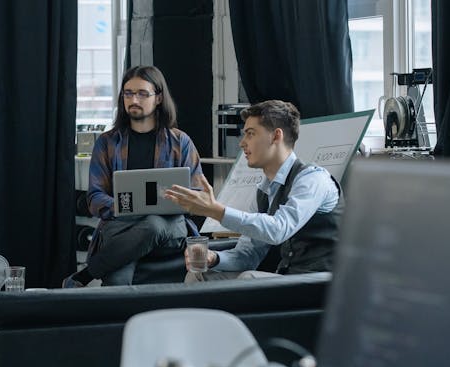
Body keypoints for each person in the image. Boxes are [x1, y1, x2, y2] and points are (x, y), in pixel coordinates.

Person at [165, 100, 341, 280]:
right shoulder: (264, 193)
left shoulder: (312, 179)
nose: (242, 143)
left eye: (250, 134)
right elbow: (248, 255)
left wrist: (215, 210)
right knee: (198, 275)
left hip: (322, 283)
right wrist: (214, 258)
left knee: (249, 278)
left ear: (276, 136)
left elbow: (278, 229)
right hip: (288, 279)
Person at [63, 65, 204, 287]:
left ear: (158, 98)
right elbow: (95, 198)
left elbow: (198, 194)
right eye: (128, 93)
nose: (134, 100)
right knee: (118, 284)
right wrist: (125, 208)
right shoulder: (107, 143)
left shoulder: (180, 142)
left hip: (170, 227)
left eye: (142, 94)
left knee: (154, 224)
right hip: (122, 225)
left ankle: (86, 275)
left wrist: (171, 203)